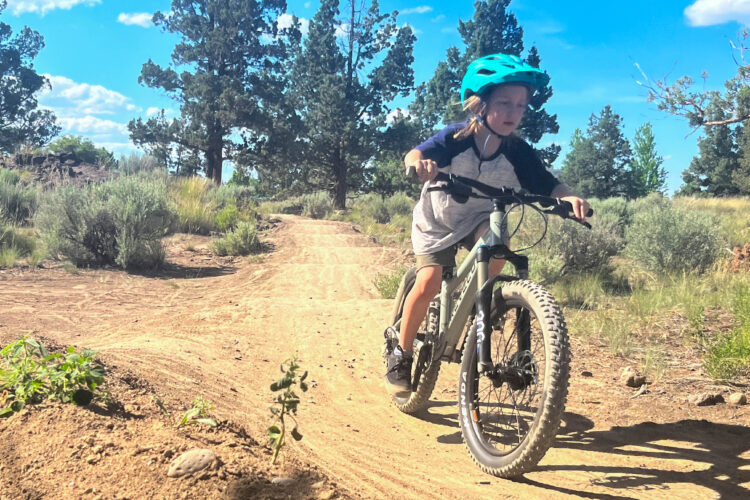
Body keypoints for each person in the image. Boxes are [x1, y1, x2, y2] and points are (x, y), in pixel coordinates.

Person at [385, 53, 590, 396]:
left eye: (521, 105)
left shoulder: (517, 151)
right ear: (480, 104)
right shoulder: (456, 139)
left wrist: (568, 197)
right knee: (430, 280)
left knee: (497, 251)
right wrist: (418, 165)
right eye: (504, 103)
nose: (513, 112)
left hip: (480, 216)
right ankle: (400, 354)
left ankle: (479, 308)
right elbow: (416, 153)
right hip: (437, 220)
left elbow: (546, 182)